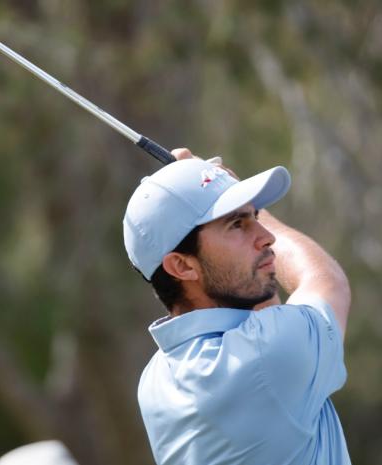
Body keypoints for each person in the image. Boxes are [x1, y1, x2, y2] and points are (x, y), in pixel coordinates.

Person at [123, 148, 352, 465]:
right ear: (181, 266)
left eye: (255, 216)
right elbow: (327, 282)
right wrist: (231, 186)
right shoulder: (270, 354)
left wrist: (221, 191)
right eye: (236, 224)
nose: (267, 236)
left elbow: (264, 313)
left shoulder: (155, 380)